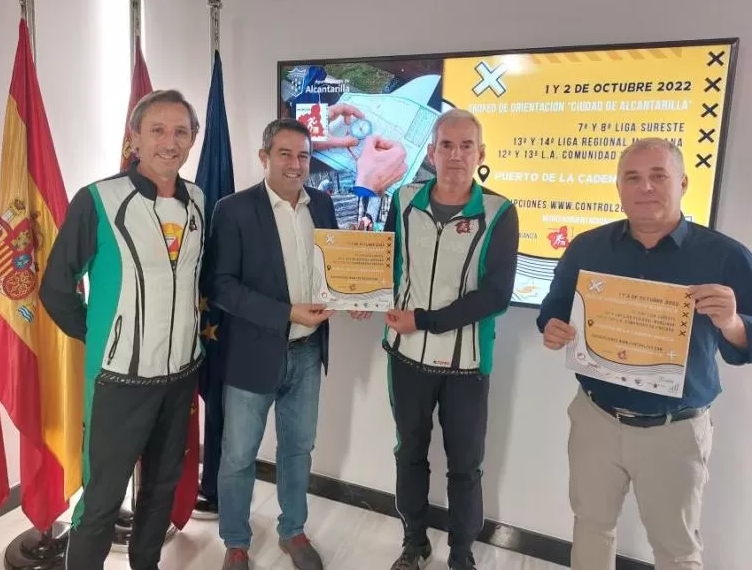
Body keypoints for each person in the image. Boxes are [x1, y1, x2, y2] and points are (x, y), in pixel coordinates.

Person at [537, 137, 752, 570]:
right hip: (596, 418)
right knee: (591, 527)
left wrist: (731, 322)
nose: (646, 187)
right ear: (619, 187)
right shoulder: (588, 247)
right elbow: (554, 307)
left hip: (675, 430)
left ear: (683, 183)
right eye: (632, 177)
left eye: (658, 176)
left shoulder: (726, 256)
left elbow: (744, 343)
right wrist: (552, 327)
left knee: (676, 549)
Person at [40, 89, 206, 570]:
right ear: (134, 138)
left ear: (192, 139)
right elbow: (56, 288)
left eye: (180, 131)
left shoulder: (198, 200)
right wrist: (103, 337)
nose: (169, 142)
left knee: (160, 492)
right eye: (157, 130)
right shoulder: (98, 200)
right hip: (119, 382)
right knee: (101, 500)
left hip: (179, 379)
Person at [207, 118, 353, 570]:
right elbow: (221, 286)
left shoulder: (322, 205)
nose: (296, 164)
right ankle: (236, 541)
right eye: (285, 154)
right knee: (238, 456)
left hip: (307, 352)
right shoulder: (233, 209)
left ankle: (293, 531)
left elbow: (334, 271)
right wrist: (286, 312)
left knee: (298, 449)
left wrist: (353, 297)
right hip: (251, 354)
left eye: (303, 156)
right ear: (264, 157)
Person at [382, 109, 520, 570]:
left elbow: (496, 296)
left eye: (466, 146)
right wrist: (361, 295)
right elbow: (386, 265)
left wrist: (425, 320)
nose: (456, 155)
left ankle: (461, 555)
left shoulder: (499, 212)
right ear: (431, 152)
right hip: (406, 358)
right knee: (409, 455)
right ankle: (414, 543)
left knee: (465, 466)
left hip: (467, 366)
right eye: (447, 145)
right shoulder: (403, 200)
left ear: (480, 154)